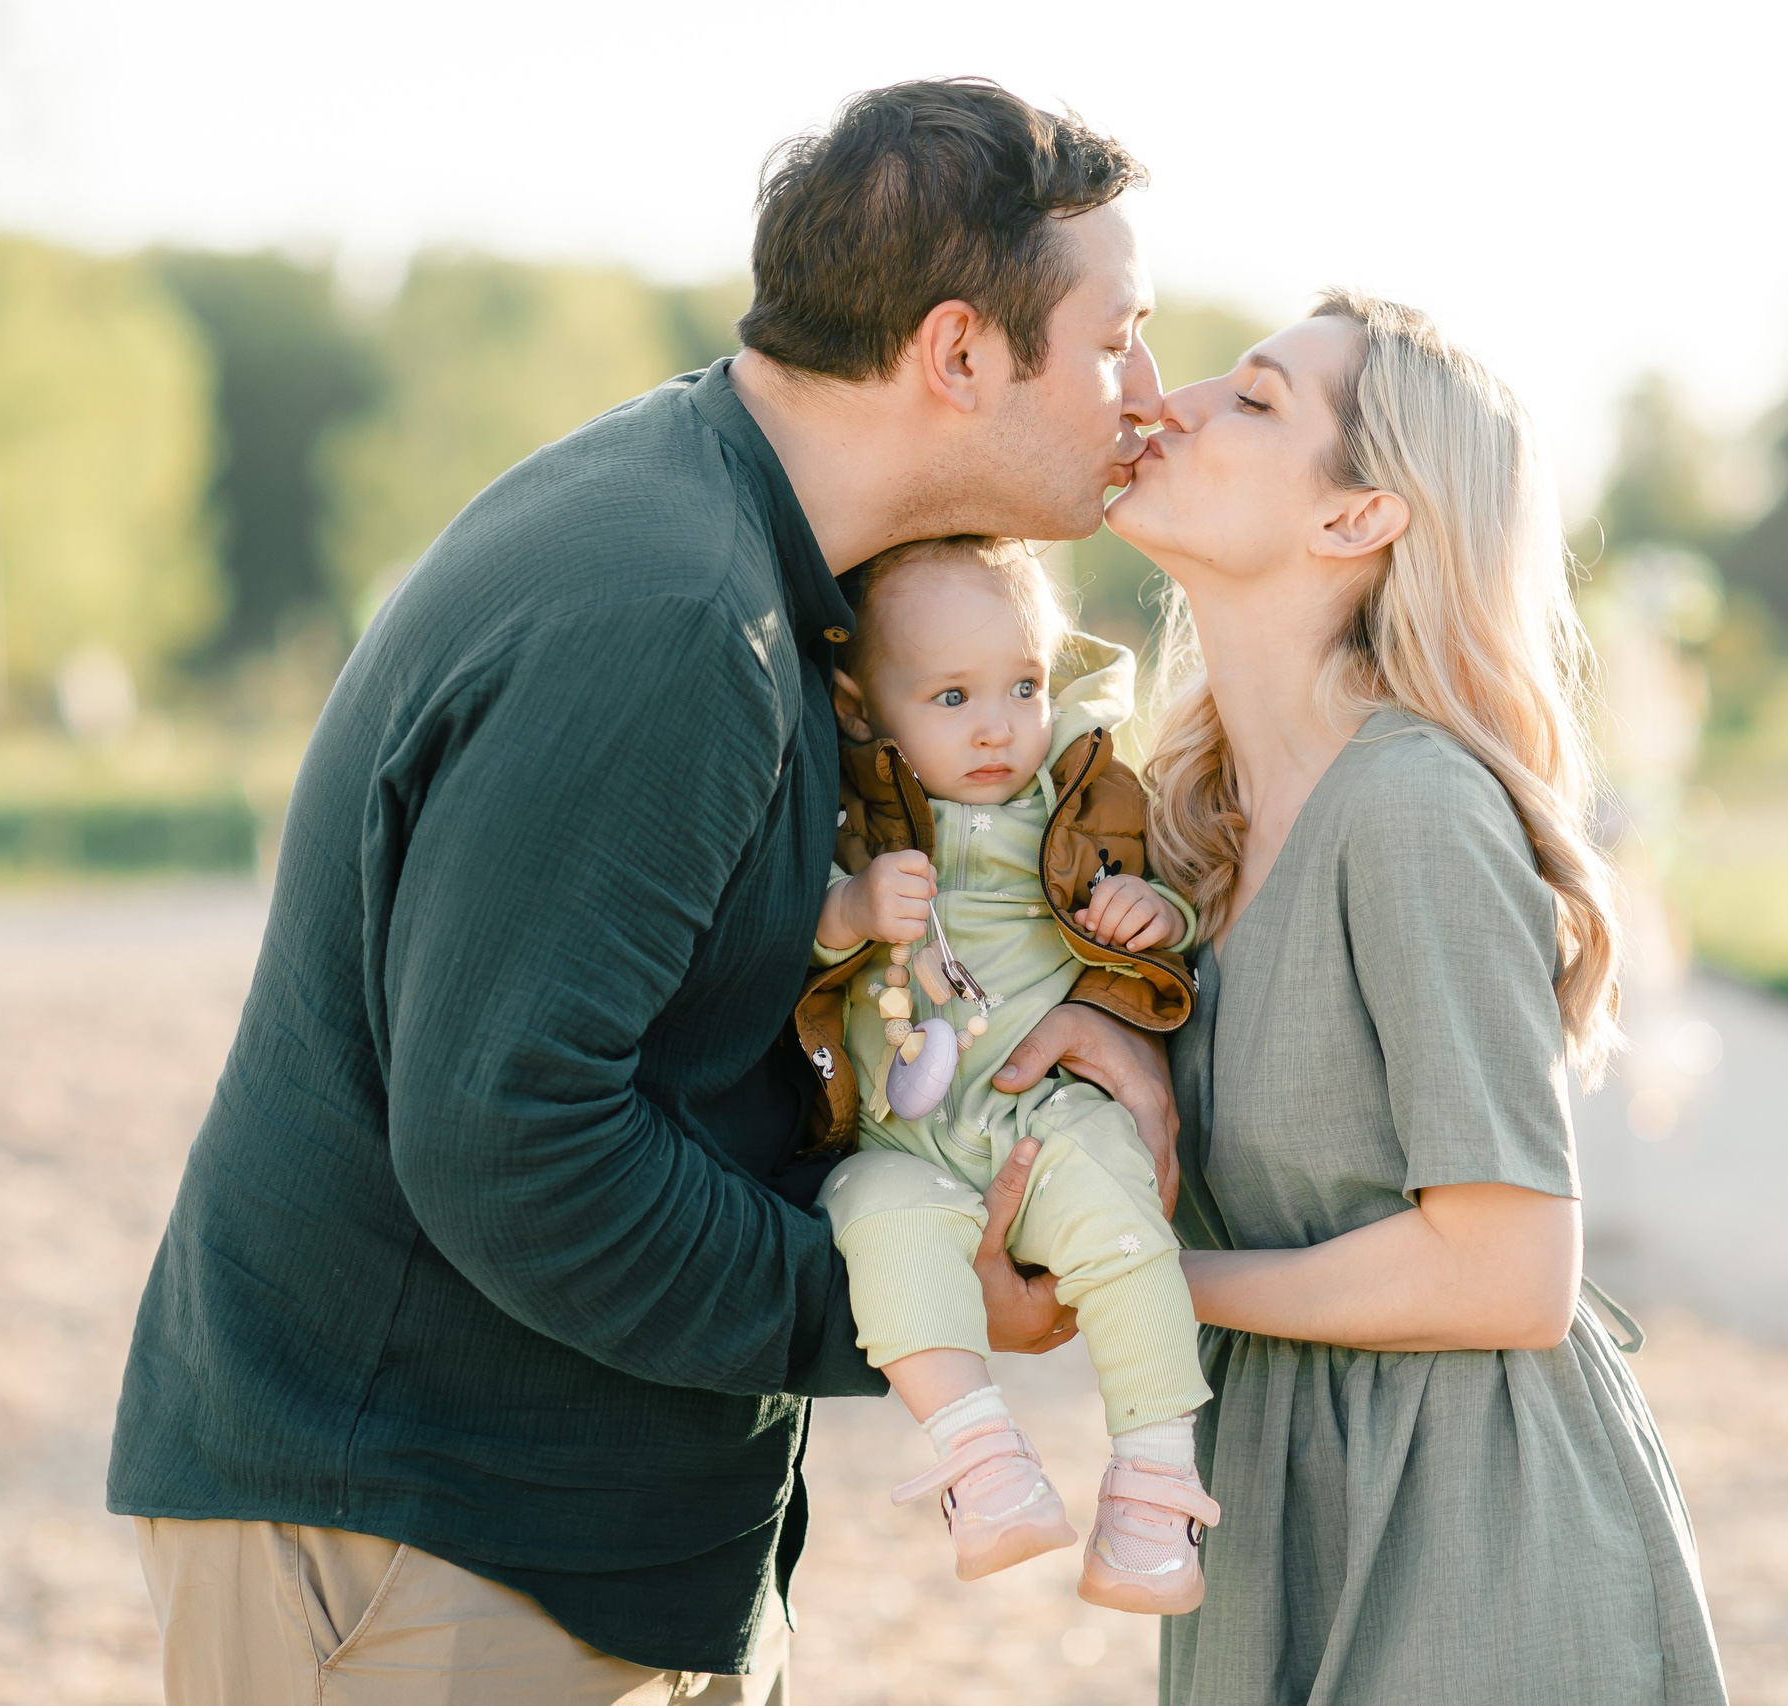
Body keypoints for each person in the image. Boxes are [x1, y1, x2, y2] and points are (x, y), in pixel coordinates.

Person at [106, 79, 1178, 1702]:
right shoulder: (672, 617)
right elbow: (508, 1138)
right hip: (424, 1558)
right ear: (960, 353)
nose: (1149, 395)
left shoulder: (755, 568)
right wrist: (909, 1304)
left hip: (530, 1556)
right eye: (1116, 340)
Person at [1107, 291, 1730, 1704]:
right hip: (1280, 1491)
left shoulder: (1414, 809)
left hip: (1469, 1526)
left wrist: (1136, 1292)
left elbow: (1511, 1270)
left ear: (1356, 519)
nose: (1178, 402)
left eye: (1256, 400)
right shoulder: (1195, 822)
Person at [798, 535, 1219, 1616]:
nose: (996, 725)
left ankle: (1153, 1487)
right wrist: (847, 911)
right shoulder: (849, 812)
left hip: (1047, 1110)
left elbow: (1154, 915)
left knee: (1126, 1230)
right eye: (949, 695)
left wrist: (1149, 916)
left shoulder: (1074, 791)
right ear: (861, 706)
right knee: (874, 1220)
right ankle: (980, 1461)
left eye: (1022, 685)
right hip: (906, 1137)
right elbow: (775, 948)